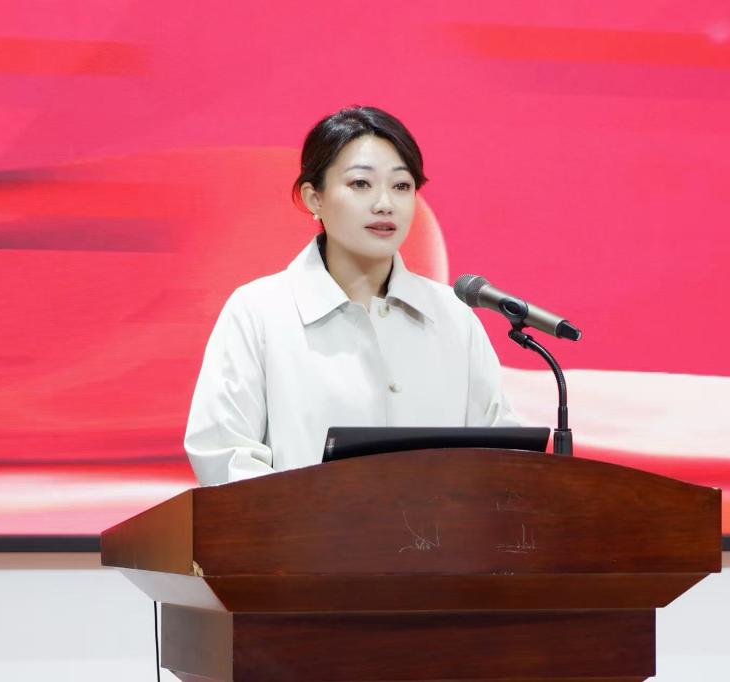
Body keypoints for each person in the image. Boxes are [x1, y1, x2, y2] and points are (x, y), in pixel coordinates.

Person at [184, 106, 516, 485]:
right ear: (314, 198)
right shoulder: (259, 311)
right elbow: (225, 454)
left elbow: (501, 454)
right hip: (302, 525)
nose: (384, 203)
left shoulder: (453, 317)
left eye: (401, 186)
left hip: (442, 525)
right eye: (361, 183)